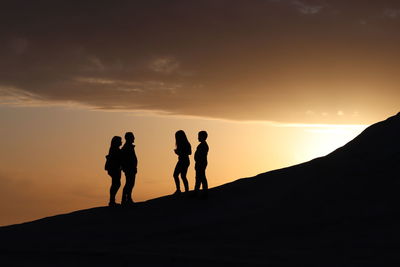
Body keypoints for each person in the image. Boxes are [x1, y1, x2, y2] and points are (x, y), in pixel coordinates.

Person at [120, 132, 138, 206]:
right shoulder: (127, 147)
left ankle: (128, 198)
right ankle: (125, 199)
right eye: (132, 137)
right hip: (129, 168)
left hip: (131, 168)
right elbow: (125, 159)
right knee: (129, 183)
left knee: (130, 183)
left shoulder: (129, 146)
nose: (134, 138)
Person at [105, 136, 122, 207]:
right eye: (120, 141)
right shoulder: (114, 149)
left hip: (115, 168)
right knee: (116, 184)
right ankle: (112, 201)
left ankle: (112, 200)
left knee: (116, 184)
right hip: (114, 169)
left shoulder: (115, 149)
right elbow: (115, 159)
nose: (121, 142)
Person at [173, 130, 191, 195]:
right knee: (177, 175)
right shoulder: (181, 144)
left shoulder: (186, 143)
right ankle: (180, 190)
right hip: (181, 160)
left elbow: (189, 152)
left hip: (184, 161)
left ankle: (184, 190)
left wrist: (179, 152)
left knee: (181, 175)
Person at [194, 131, 209, 197]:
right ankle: (197, 191)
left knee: (201, 177)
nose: (198, 138)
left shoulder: (204, 145)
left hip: (201, 163)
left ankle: (204, 192)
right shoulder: (202, 145)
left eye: (199, 136)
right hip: (200, 163)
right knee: (199, 177)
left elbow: (201, 155)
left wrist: (198, 160)